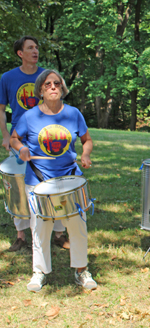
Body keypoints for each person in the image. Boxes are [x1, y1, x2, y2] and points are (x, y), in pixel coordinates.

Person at [10, 69, 96, 292]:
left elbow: (87, 140)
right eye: (47, 84)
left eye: (57, 83)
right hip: (38, 180)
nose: (53, 87)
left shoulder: (74, 113)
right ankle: (39, 272)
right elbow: (14, 138)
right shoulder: (29, 116)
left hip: (70, 178)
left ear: (63, 88)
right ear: (40, 89)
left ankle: (81, 270)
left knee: (77, 226)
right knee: (39, 227)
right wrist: (21, 149)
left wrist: (85, 154)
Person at [0, 36, 69, 252]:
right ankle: (21, 235)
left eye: (37, 48)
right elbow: (1, 110)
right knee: (19, 187)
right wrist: (4, 135)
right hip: (19, 139)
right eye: (30, 48)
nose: (35, 51)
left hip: (47, 138)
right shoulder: (7, 78)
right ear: (20, 53)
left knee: (54, 184)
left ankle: (58, 233)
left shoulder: (47, 76)